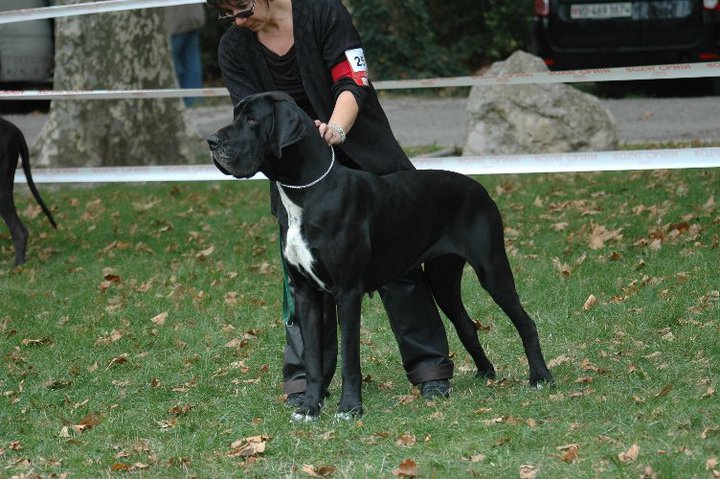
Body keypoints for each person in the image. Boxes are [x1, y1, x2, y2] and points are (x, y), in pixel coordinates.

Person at [206, 0, 454, 405]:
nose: (236, 19)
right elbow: (248, 117)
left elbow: (352, 78)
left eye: (242, 6)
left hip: (364, 152)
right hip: (296, 177)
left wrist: (334, 129)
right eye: (226, 12)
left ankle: (429, 369)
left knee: (399, 265)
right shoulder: (234, 47)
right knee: (301, 276)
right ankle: (307, 381)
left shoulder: (323, 12)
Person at [165, 5, 206, 107]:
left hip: (173, 22)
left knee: (173, 67)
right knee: (192, 63)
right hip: (193, 18)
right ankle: (195, 103)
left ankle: (178, 104)